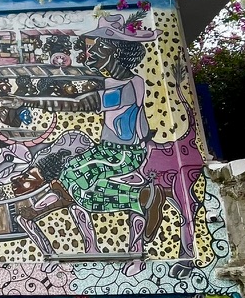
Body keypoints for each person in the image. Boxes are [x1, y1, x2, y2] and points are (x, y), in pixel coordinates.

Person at [57, 14, 167, 267]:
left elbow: (78, 104)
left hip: (122, 154)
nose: (93, 50)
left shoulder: (125, 88)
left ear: (117, 52)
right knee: (69, 173)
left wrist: (26, 101)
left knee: (78, 179)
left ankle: (140, 200)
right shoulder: (121, 81)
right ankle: (94, 243)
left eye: (101, 46)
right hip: (109, 149)